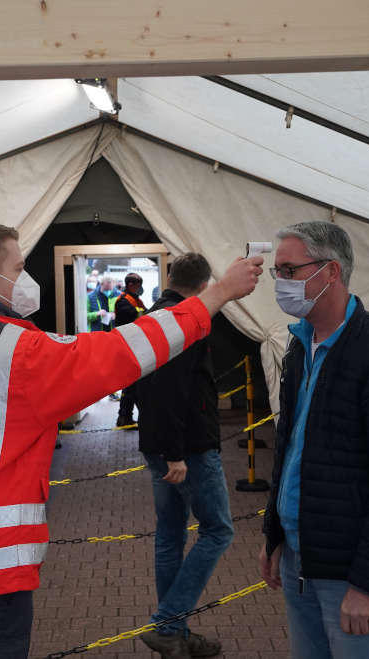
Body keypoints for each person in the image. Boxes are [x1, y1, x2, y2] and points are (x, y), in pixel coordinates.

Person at [0, 221, 264, 659]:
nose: (27, 280)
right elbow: (122, 351)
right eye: (19, 267)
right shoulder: (15, 352)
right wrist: (218, 294)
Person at [258, 221, 369, 659]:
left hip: (354, 572)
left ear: (330, 272)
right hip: (305, 557)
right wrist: (275, 534)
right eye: (277, 272)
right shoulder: (300, 348)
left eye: (289, 270)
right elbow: (290, 450)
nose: (280, 282)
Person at [136, 253, 230, 659]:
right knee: (218, 531)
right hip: (187, 449)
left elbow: (141, 385)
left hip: (159, 445)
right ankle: (171, 621)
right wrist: (177, 454)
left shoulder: (150, 318)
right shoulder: (186, 322)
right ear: (206, 285)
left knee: (171, 536)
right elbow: (171, 391)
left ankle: (174, 632)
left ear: (169, 277)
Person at [114, 272, 146, 427]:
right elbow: (137, 315)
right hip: (127, 346)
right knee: (132, 384)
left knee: (132, 384)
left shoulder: (136, 300)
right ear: (131, 285)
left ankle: (125, 417)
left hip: (137, 346)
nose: (141, 288)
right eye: (139, 285)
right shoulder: (123, 301)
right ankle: (126, 416)